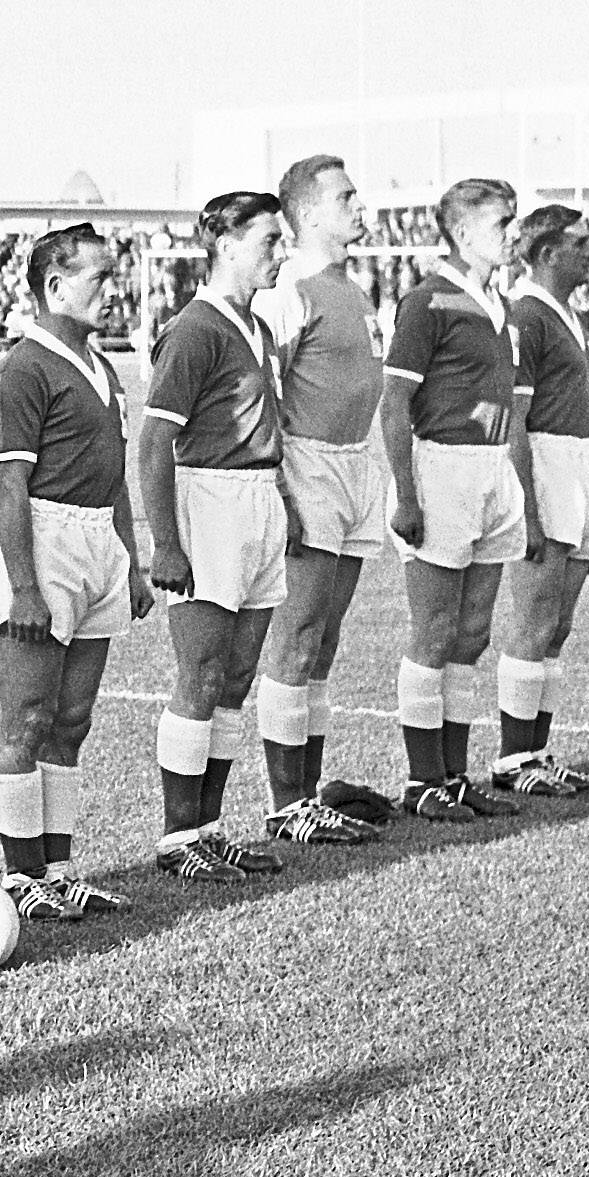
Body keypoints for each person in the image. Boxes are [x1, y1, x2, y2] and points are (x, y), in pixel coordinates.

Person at [0, 224, 154, 919]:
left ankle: (58, 867)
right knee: (27, 715)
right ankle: (23, 878)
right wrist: (24, 586)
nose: (111, 292)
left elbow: (115, 477)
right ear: (54, 285)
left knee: (71, 720)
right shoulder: (23, 370)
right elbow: (11, 487)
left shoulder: (103, 368)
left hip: (95, 543)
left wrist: (131, 562)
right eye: (97, 279)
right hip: (41, 541)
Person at [135, 191, 292, 881]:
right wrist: (166, 543)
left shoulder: (254, 324)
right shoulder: (196, 328)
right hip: (210, 498)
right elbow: (152, 444)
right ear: (226, 245)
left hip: (259, 499)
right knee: (200, 673)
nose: (279, 252)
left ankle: (209, 826)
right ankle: (177, 838)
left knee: (236, 677)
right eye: (268, 240)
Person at [379, 178, 539, 820]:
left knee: (472, 633)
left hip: (491, 472)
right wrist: (408, 494)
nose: (513, 233)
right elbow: (395, 403)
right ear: (466, 232)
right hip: (440, 470)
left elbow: (491, 405)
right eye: (503, 222)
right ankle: (422, 782)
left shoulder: (498, 303)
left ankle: (455, 775)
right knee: (435, 629)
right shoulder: (426, 301)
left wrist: (512, 481)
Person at [249, 155, 389, 845]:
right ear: (308, 214)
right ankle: (286, 804)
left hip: (358, 466)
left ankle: (308, 790)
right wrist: (280, 483)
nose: (360, 206)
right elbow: (259, 388)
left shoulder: (352, 289)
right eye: (346, 197)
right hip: (308, 464)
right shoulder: (288, 291)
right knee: (299, 636)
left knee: (326, 640)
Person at [490, 204, 589, 795]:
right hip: (545, 465)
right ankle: (514, 761)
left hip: (579, 465)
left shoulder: (566, 311)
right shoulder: (526, 315)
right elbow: (513, 421)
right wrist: (528, 512)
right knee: (535, 621)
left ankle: (537, 751)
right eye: (581, 244)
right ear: (546, 254)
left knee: (558, 626)